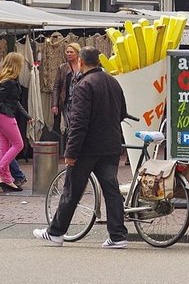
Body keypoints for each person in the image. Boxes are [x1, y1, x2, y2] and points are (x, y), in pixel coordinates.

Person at [35, 46, 129, 248]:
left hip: (87, 147)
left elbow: (78, 122)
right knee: (111, 190)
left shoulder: (84, 85)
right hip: (110, 145)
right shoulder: (113, 82)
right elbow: (122, 112)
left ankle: (56, 232)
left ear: (81, 62)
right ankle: (118, 235)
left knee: (72, 189)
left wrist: (71, 152)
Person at [0, 52, 31, 191]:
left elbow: (13, 101)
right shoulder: (9, 82)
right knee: (18, 144)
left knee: (4, 147)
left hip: (0, 115)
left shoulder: (7, 80)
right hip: (5, 115)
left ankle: (6, 178)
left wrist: (26, 115)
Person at [52, 43, 81, 151]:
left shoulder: (83, 65)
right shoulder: (62, 67)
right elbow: (56, 86)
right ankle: (71, 150)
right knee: (70, 126)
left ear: (77, 53)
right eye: (67, 52)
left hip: (81, 101)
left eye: (71, 52)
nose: (68, 54)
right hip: (67, 102)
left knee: (80, 125)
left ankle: (78, 150)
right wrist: (54, 104)